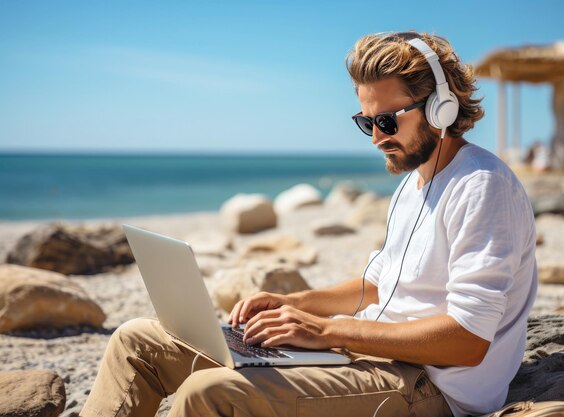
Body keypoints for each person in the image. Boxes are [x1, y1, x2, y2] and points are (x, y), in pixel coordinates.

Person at [81, 31, 537, 417]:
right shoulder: (414, 185)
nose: (377, 138)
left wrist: (323, 331)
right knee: (137, 340)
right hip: (369, 353)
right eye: (366, 122)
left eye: (386, 120)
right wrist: (291, 303)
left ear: (442, 108)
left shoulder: (481, 186)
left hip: (429, 386)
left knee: (209, 394)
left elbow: (468, 341)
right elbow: (377, 284)